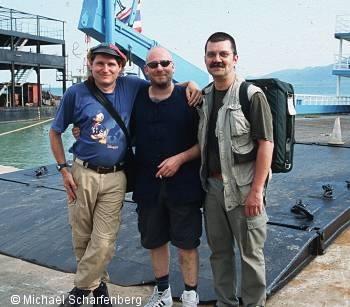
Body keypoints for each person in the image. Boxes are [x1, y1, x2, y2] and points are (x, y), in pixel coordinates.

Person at [49, 43, 200, 307]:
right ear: (91, 65)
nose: (106, 68)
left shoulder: (140, 88)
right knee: (84, 237)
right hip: (91, 173)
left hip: (128, 177)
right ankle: (99, 289)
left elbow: (166, 84)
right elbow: (56, 131)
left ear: (121, 68)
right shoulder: (81, 92)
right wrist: (63, 168)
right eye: (100, 63)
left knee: (106, 240)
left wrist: (191, 83)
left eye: (112, 64)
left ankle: (81, 290)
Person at [197, 32, 274, 307]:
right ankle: (225, 303)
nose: (217, 60)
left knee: (251, 255)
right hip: (213, 189)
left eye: (223, 54)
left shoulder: (251, 95)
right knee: (219, 254)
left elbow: (266, 144)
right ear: (205, 59)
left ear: (235, 58)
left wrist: (256, 191)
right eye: (211, 54)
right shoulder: (203, 96)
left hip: (244, 189)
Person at [131, 46, 203, 307]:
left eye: (164, 63)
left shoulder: (190, 98)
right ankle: (162, 293)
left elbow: (203, 143)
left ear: (173, 67)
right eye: (153, 65)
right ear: (145, 70)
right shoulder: (137, 96)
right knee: (155, 240)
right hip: (148, 186)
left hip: (184, 186)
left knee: (187, 243)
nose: (159, 68)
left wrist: (180, 159)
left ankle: (190, 294)